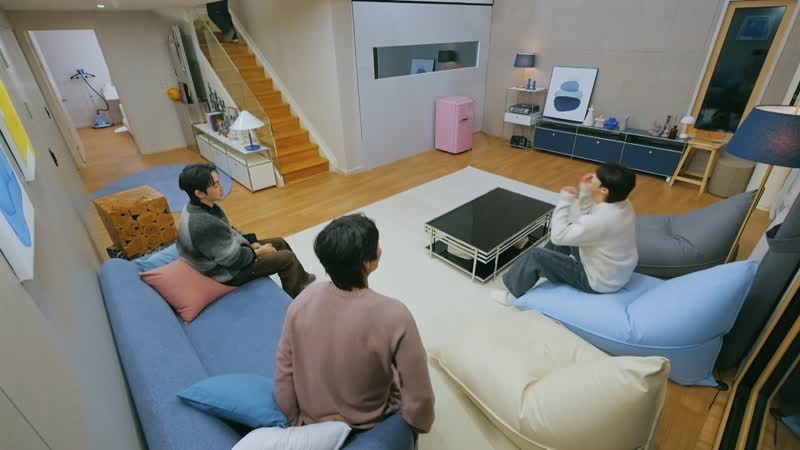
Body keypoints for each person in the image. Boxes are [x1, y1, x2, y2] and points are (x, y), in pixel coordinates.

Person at [275, 213, 435, 437]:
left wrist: (295, 421)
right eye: (376, 245)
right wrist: (416, 427)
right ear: (366, 263)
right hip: (370, 422)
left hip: (312, 421)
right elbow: (420, 395)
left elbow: (284, 371)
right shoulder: (395, 315)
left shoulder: (302, 301)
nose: (380, 249)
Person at [493, 163, 638, 304]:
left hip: (598, 281)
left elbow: (557, 237)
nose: (592, 176)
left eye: (596, 177)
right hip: (614, 272)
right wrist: (585, 189)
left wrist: (564, 201)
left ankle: (512, 295)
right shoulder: (624, 205)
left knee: (536, 255)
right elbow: (589, 211)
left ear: (604, 190)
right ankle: (539, 269)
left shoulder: (599, 221)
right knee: (568, 233)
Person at [176, 163, 315, 298]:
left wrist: (252, 242)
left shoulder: (198, 206)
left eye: (219, 182)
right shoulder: (203, 222)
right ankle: (293, 302)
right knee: (287, 259)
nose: (222, 187)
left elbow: (228, 231)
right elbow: (233, 260)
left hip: (222, 253)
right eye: (215, 185)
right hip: (224, 272)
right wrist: (258, 252)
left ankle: (301, 278)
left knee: (279, 242)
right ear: (199, 193)